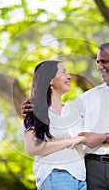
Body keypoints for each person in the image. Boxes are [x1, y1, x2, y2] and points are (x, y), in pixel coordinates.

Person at [22, 42, 109, 190]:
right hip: (92, 169)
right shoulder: (88, 98)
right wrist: (31, 106)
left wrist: (105, 137)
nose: (99, 66)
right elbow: (57, 115)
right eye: (98, 62)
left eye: (105, 61)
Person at [22, 60, 87, 190]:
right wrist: (71, 141)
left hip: (80, 178)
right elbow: (32, 148)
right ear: (50, 80)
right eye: (63, 72)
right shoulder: (34, 110)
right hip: (56, 174)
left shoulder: (73, 111)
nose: (69, 76)